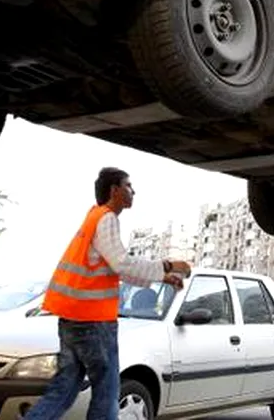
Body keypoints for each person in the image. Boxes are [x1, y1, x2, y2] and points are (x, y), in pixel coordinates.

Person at [23, 167, 191, 420]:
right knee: (107, 392)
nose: (133, 191)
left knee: (62, 391)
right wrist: (167, 265)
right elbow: (121, 263)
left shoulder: (93, 217)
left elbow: (113, 268)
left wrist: (161, 277)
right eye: (128, 186)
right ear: (114, 190)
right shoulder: (108, 218)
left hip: (72, 320)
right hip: (94, 322)